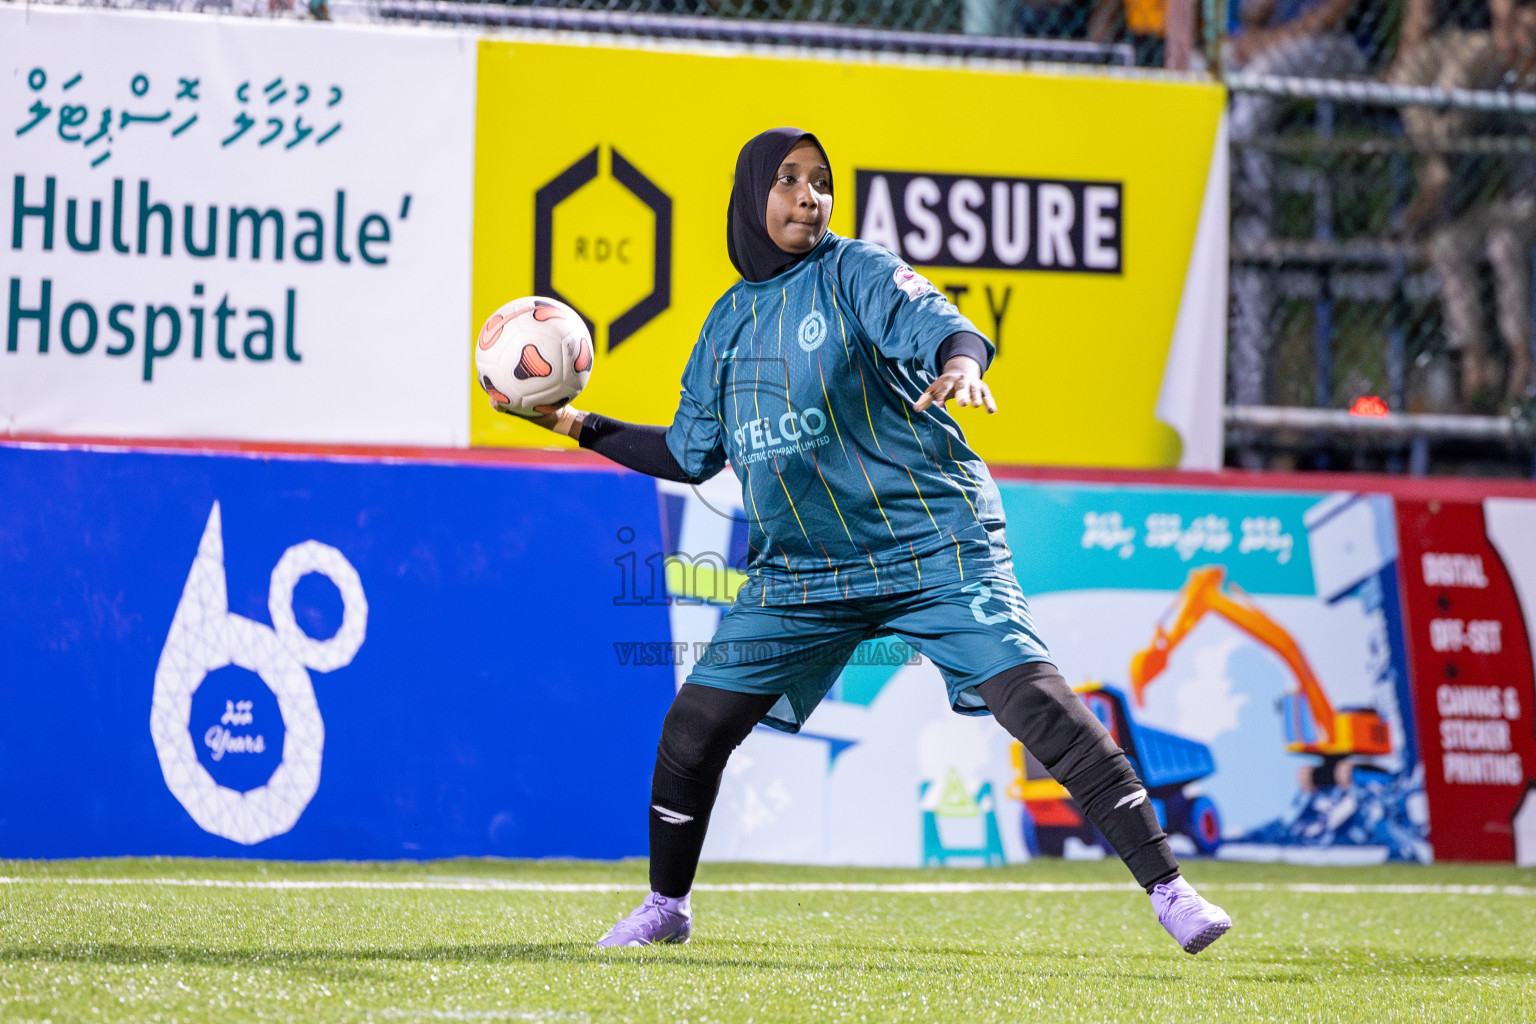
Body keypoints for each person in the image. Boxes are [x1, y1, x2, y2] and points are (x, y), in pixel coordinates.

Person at [495, 127, 1232, 954]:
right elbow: (688, 452)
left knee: (1037, 704)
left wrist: (961, 364)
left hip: (930, 545)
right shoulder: (727, 326)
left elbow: (946, 327)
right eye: (787, 180)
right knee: (692, 729)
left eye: (821, 182)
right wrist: (572, 423)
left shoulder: (857, 271)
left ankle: (1171, 890)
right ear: (749, 196)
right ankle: (666, 907)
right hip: (805, 570)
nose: (809, 196)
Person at [1390, 0, 1536, 411]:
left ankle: (1522, 357)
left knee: (1504, 245)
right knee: (1449, 244)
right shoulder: (1494, 72)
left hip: (1528, 208)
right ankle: (1474, 357)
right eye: (1517, 30)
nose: (1522, 40)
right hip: (1496, 206)